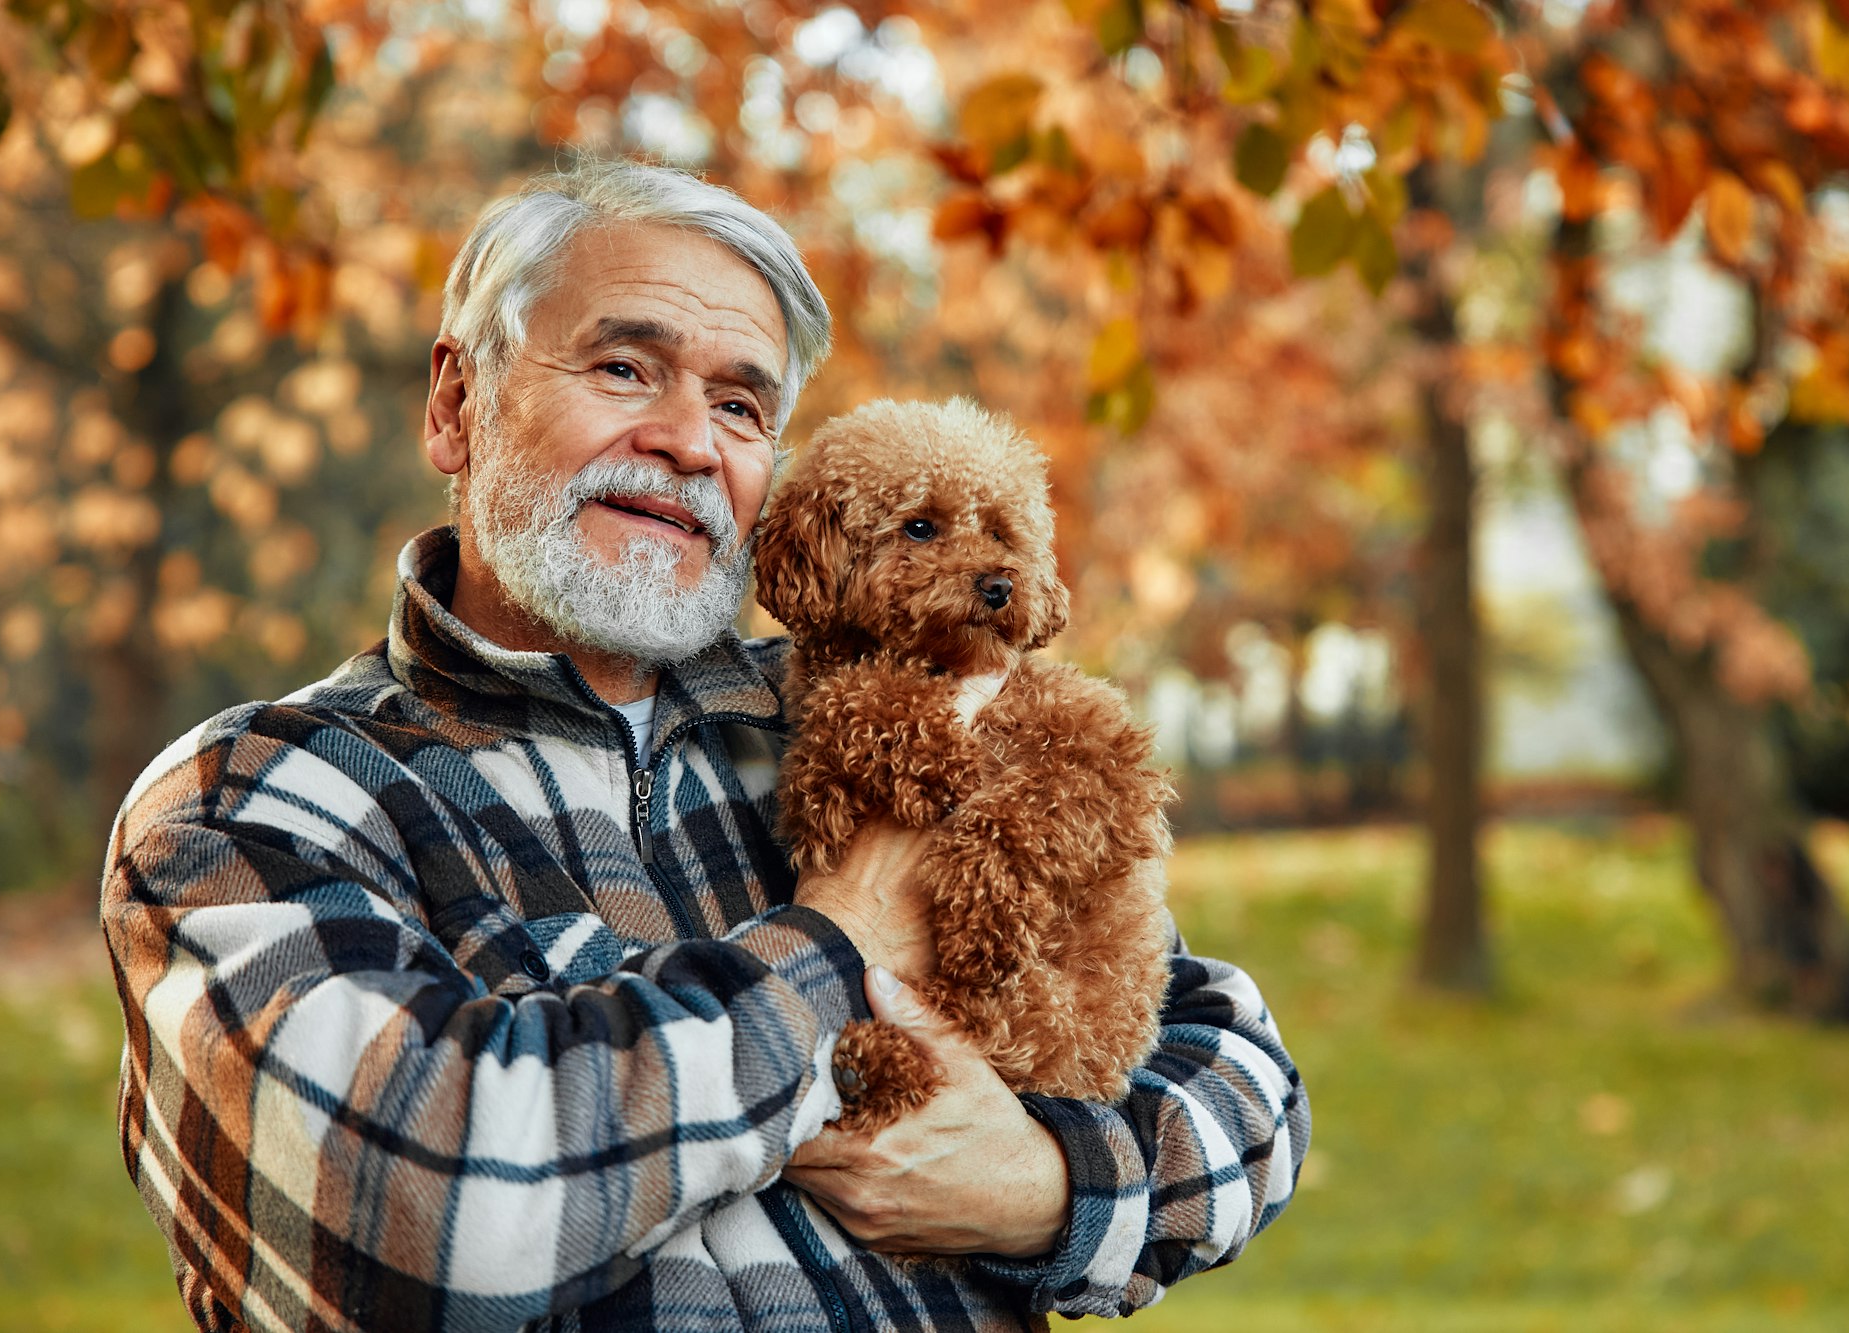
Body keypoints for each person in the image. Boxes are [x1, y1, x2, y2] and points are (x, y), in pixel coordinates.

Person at [101, 158, 1309, 1333]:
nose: (688, 441)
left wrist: (1045, 1187)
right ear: (455, 404)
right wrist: (849, 935)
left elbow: (1240, 1074)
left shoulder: (874, 703)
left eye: (739, 406)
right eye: (625, 367)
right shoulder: (261, 798)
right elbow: (417, 1227)